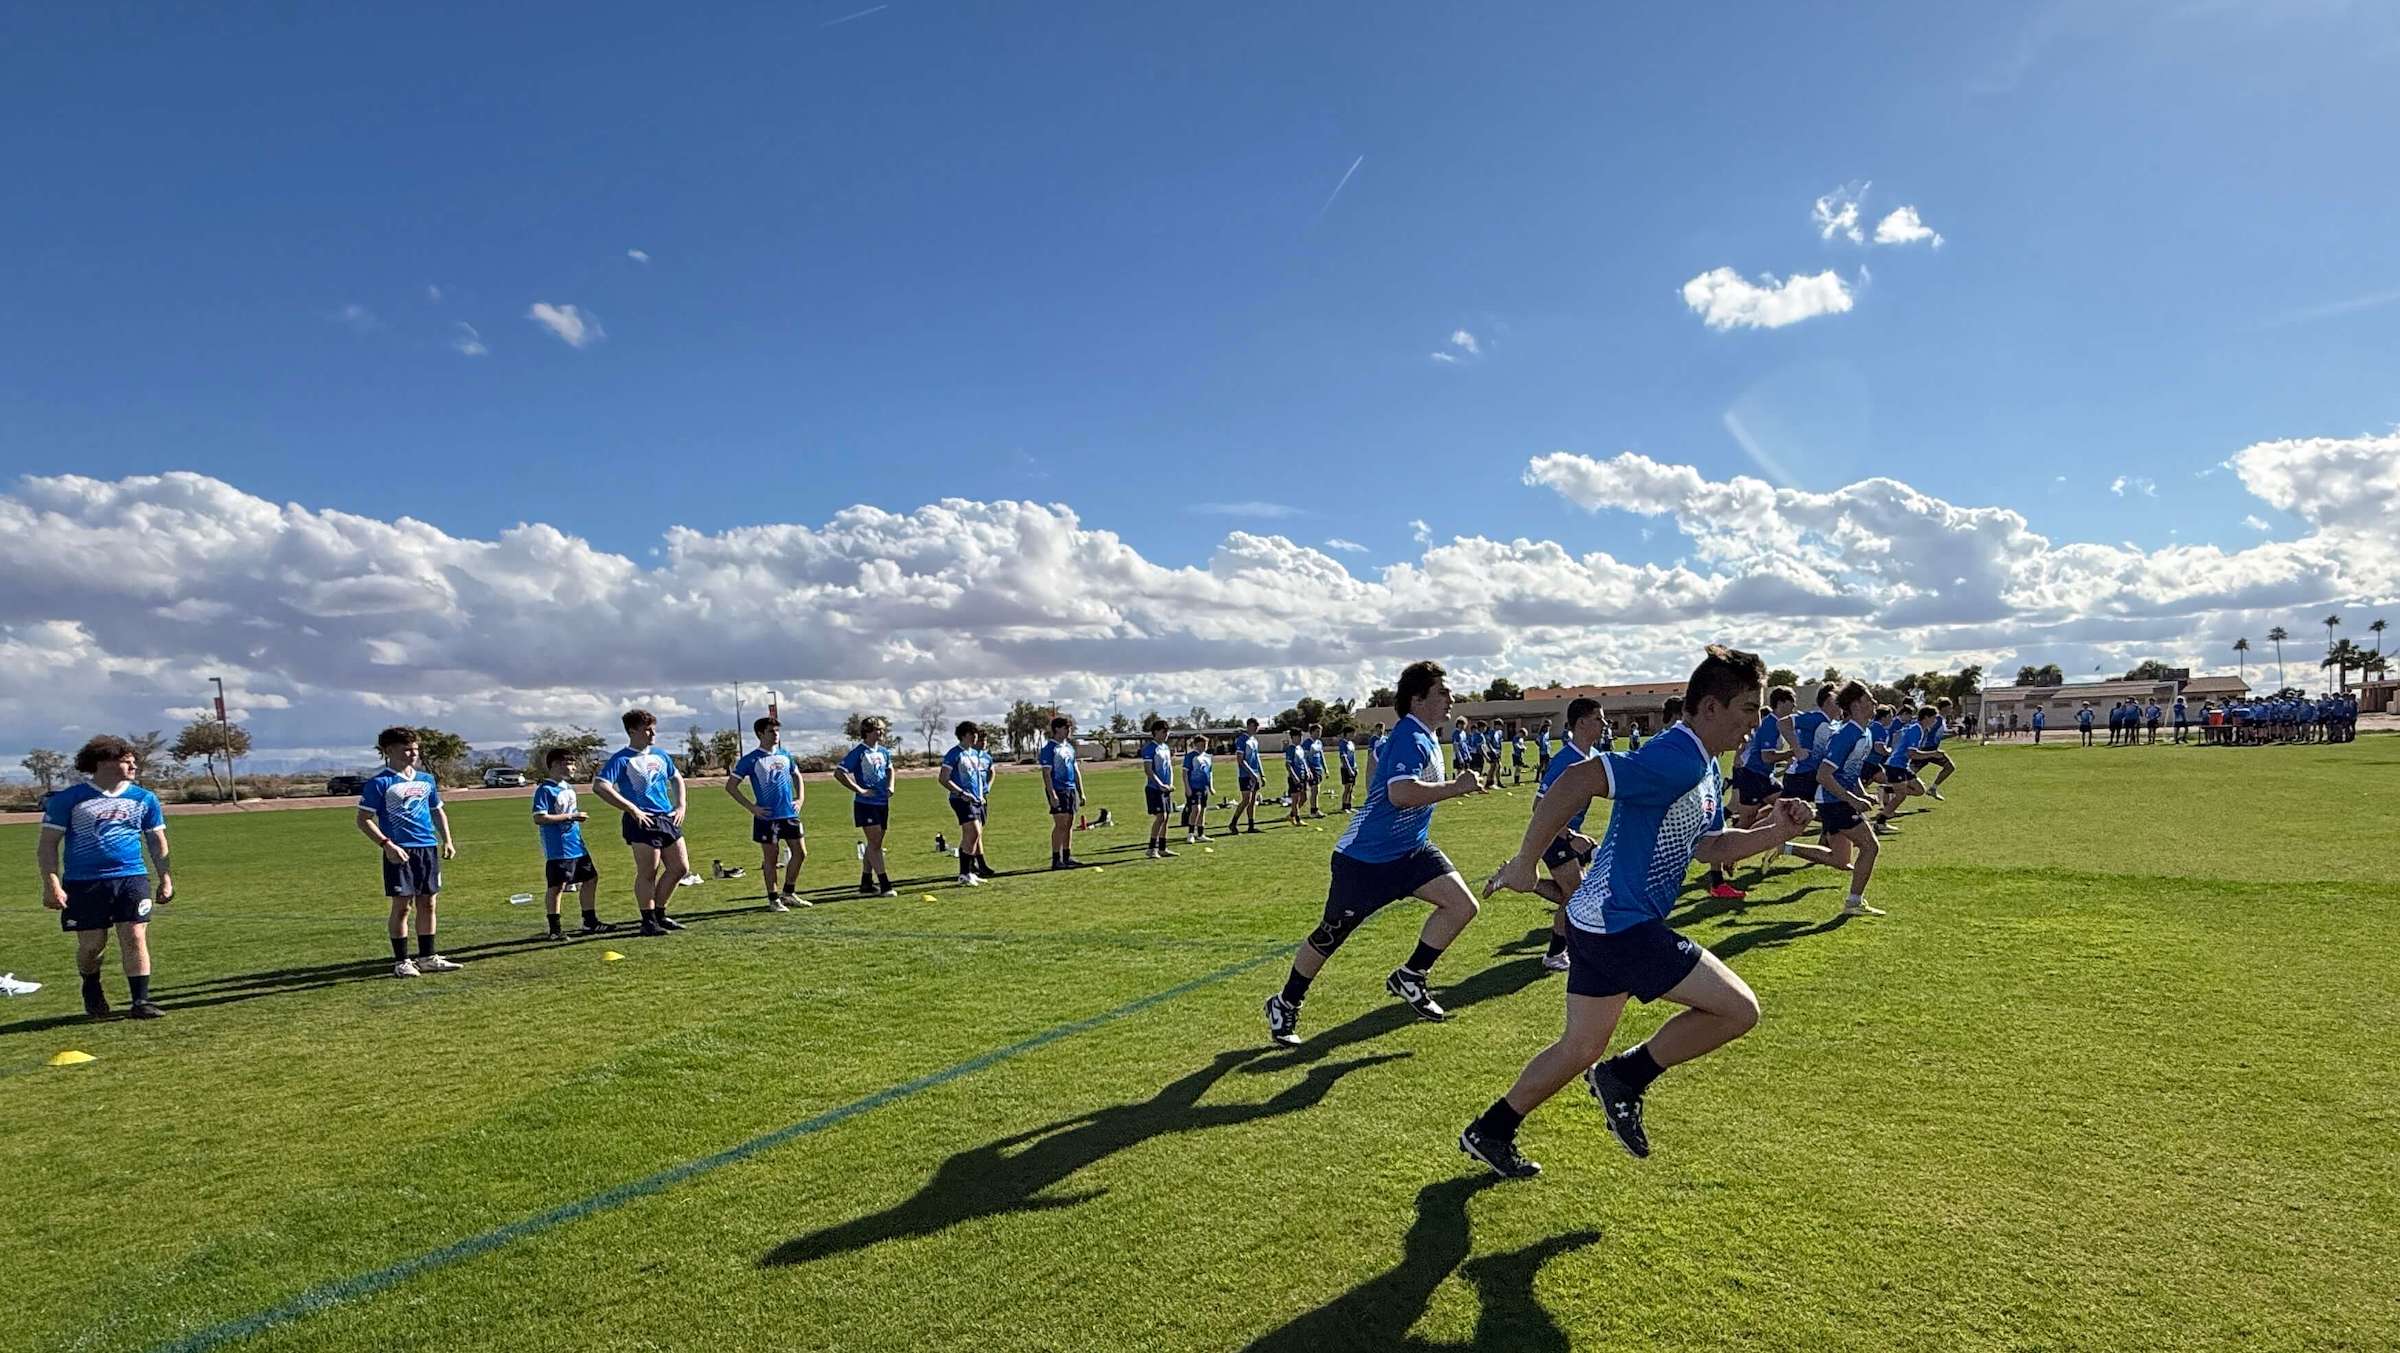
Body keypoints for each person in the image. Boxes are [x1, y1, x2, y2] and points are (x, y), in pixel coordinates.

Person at [1460, 647, 1815, 1178]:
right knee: (1738, 1009)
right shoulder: (1676, 757)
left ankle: (1491, 1130)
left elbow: (1710, 846)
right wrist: (1526, 861)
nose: (1755, 722)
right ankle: (1625, 1076)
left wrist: (1776, 831)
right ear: (1711, 707)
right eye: (1748, 709)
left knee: (1580, 1046)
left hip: (1596, 920)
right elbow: (1577, 780)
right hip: (1619, 925)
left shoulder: (1702, 765)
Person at [1263, 660, 1486, 1045]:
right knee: (1331, 935)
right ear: (1417, 699)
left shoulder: (1426, 736)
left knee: (1462, 905)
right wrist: (1457, 787)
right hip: (1364, 861)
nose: (1451, 698)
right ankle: (1285, 1003)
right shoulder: (1410, 737)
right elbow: (1401, 793)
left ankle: (1411, 976)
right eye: (1442, 692)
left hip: (1411, 852)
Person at [37, 735, 173, 1019]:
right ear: (102, 763)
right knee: (91, 946)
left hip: (131, 877)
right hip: (84, 882)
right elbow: (48, 845)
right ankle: (90, 983)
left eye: (134, 761)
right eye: (126, 761)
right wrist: (52, 884)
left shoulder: (144, 798)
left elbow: (157, 841)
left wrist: (165, 877)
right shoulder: (69, 800)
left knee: (134, 936)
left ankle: (140, 1001)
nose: (134, 766)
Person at [357, 726, 464, 972]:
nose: (413, 753)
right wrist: (387, 845)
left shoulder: (426, 780)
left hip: (427, 848)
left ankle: (428, 957)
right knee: (402, 906)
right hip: (400, 851)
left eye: (415, 748)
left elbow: (437, 811)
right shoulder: (380, 783)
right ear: (388, 751)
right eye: (406, 749)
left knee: (428, 903)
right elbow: (363, 820)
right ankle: (402, 961)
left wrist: (447, 840)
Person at [1776, 682, 1886, 917]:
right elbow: (1823, 775)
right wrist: (1852, 800)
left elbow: (1849, 771)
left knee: (1840, 860)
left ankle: (1785, 847)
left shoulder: (1865, 732)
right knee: (1870, 846)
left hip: (1837, 800)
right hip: (1833, 801)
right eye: (1869, 699)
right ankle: (1854, 902)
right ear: (1856, 705)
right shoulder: (1847, 734)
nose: (1875, 703)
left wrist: (1861, 794)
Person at [1521, 697, 1607, 972]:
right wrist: (1570, 837)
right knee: (1576, 896)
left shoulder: (1592, 757)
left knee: (1574, 892)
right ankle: (1555, 954)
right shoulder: (1565, 761)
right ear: (1581, 723)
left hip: (1571, 834)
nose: (1605, 724)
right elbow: (1539, 807)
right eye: (1598, 718)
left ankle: (1525, 880)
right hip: (1553, 836)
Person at [593, 709, 691, 934]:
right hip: (642, 821)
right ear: (632, 731)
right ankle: (648, 921)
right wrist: (631, 809)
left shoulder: (660, 755)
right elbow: (600, 786)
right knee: (649, 872)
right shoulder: (622, 759)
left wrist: (681, 805)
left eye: (653, 729)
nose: (653, 734)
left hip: (666, 818)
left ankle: (659, 913)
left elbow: (676, 778)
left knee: (680, 868)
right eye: (647, 730)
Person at [727, 717, 807, 910]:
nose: (776, 734)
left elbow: (797, 775)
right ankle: (773, 899)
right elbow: (731, 786)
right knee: (771, 858)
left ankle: (788, 893)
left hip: (789, 814)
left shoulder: (785, 755)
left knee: (800, 853)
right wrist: (752, 807)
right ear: (760, 734)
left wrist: (800, 798)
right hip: (767, 817)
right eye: (771, 731)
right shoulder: (751, 759)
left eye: (777, 731)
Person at [531, 748, 608, 937]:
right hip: (558, 847)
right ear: (555, 765)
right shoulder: (545, 790)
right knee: (557, 886)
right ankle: (555, 929)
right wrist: (571, 817)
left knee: (590, 879)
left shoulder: (568, 788)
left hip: (576, 844)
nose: (573, 768)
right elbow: (539, 818)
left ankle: (590, 922)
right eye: (569, 764)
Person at [834, 717, 897, 896]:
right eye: (878, 729)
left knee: (875, 843)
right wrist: (860, 790)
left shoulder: (884, 752)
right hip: (866, 804)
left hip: (882, 802)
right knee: (875, 844)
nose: (882, 732)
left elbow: (890, 769)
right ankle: (885, 884)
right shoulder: (859, 752)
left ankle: (866, 882)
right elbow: (839, 773)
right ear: (867, 731)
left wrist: (890, 785)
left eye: (883, 729)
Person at [937, 720, 994, 884]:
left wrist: (981, 794)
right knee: (973, 833)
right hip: (961, 800)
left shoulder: (974, 754)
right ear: (964, 735)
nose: (975, 737)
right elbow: (943, 778)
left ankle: (967, 872)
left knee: (973, 835)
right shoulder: (954, 754)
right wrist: (961, 793)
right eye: (972, 734)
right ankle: (964, 873)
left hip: (977, 800)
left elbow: (981, 776)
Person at [1036, 716, 1083, 868]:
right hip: (1058, 789)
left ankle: (1067, 856)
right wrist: (1052, 794)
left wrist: (1081, 791)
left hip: (1071, 789)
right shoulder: (1050, 749)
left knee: (1069, 824)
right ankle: (1056, 859)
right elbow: (1046, 774)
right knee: (1060, 824)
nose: (1069, 730)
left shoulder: (1069, 748)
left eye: (1069, 728)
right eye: (1066, 728)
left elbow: (1076, 771)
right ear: (1057, 729)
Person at [1877, 706, 1936, 825]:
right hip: (1896, 765)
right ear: (1926, 717)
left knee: (1920, 790)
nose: (1935, 721)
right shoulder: (1916, 730)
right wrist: (1933, 754)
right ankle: (1880, 822)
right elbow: (1911, 753)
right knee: (1901, 796)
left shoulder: (1918, 728)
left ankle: (1887, 789)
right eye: (1933, 718)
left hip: (1903, 766)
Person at [1140, 719, 1178, 860]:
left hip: (1165, 789)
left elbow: (1169, 767)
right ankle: (1151, 848)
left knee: (1166, 818)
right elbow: (1148, 770)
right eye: (1164, 732)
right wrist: (1160, 784)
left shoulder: (1165, 748)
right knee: (1161, 817)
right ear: (1155, 732)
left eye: (1167, 732)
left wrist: (1170, 784)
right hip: (1154, 788)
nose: (1166, 734)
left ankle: (1162, 848)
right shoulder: (1150, 748)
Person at [1233, 718, 1266, 835]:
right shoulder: (1242, 740)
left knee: (1252, 801)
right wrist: (1251, 773)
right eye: (1254, 726)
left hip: (1254, 774)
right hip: (1245, 775)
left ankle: (1251, 826)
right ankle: (1233, 823)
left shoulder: (1254, 740)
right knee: (1246, 800)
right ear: (1248, 726)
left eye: (1257, 727)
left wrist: (1262, 774)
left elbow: (1257, 758)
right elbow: (1240, 760)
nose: (1256, 729)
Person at [1183, 734, 1215, 844]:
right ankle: (1191, 834)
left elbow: (1210, 773)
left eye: (1205, 745)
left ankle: (1201, 834)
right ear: (1195, 745)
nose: (1203, 747)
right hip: (1193, 787)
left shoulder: (1208, 757)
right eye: (1201, 745)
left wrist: (1211, 787)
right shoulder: (1191, 756)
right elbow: (1185, 773)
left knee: (1203, 810)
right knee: (1196, 809)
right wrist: (1187, 788)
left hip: (1203, 788)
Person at [1303, 724, 1328, 817]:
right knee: (1314, 790)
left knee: (1317, 790)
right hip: (1312, 769)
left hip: (1318, 769)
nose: (1319, 733)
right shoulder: (1307, 743)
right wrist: (1308, 769)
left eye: (1320, 731)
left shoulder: (1319, 742)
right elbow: (1304, 758)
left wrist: (1325, 768)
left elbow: (1321, 756)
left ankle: (1315, 809)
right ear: (1312, 732)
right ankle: (1313, 811)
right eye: (1317, 731)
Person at [1334, 731, 1358, 812]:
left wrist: (1355, 767)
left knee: (1351, 788)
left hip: (1353, 768)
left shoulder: (1351, 743)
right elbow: (1344, 758)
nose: (1353, 735)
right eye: (1351, 733)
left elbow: (1353, 756)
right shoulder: (1343, 743)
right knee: (1347, 787)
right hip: (1346, 769)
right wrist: (1349, 769)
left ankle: (1349, 805)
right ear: (1347, 733)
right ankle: (1344, 807)